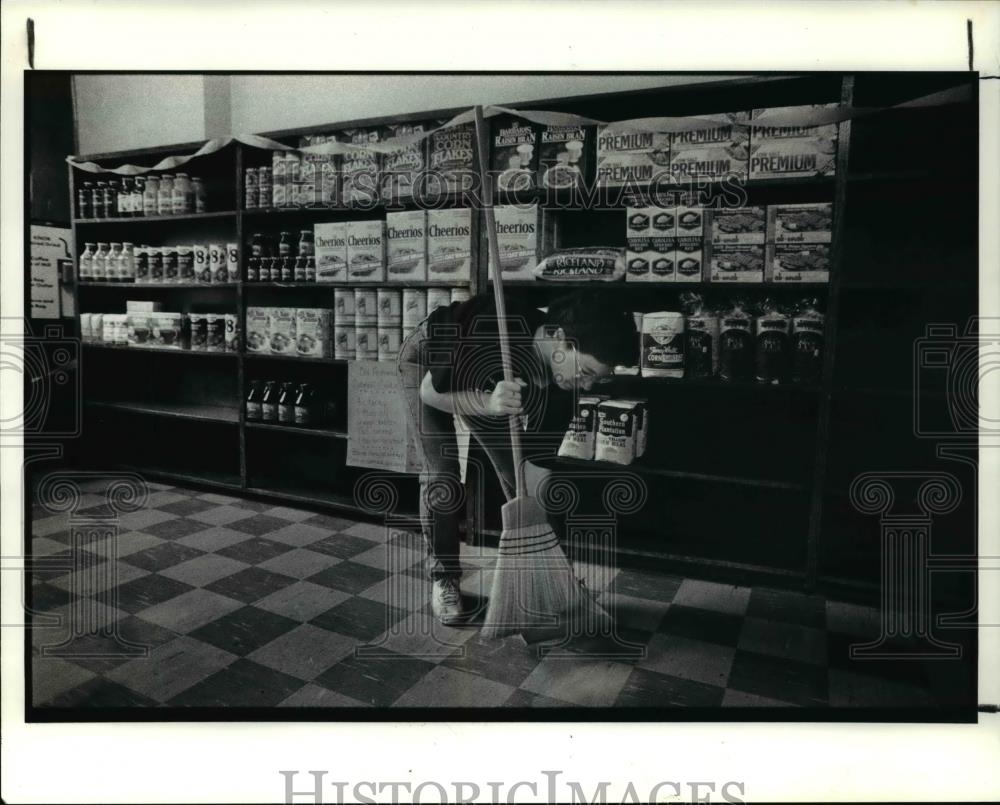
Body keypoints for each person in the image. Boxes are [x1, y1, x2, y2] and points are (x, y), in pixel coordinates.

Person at [397, 291, 638, 624]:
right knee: (443, 475)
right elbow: (431, 392)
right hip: (430, 361)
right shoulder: (494, 330)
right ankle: (444, 576)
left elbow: (537, 472)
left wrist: (552, 562)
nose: (586, 383)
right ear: (558, 339)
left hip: (488, 386)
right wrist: (486, 404)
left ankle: (556, 580)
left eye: (597, 377)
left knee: (520, 478)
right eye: (585, 371)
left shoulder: (562, 388)